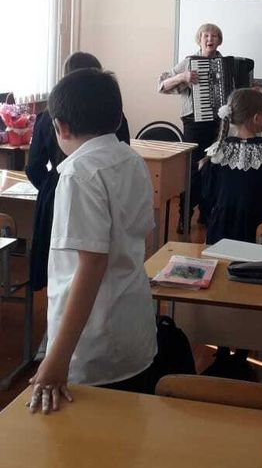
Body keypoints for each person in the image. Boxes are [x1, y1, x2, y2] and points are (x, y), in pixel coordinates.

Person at [27, 68, 156, 413]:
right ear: (118, 118)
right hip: (134, 330)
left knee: (85, 440)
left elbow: (91, 265)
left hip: (94, 345)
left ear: (60, 127)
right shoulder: (132, 159)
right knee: (128, 433)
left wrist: (56, 358)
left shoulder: (77, 173)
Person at [198, 88, 262, 378]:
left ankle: (222, 350)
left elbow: (207, 195)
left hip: (220, 230)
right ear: (258, 118)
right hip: (256, 230)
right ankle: (244, 351)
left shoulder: (215, 151)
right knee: (252, 287)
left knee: (222, 287)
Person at [26, 52, 130, 292]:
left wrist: (51, 187)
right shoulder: (114, 117)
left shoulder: (48, 115)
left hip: (54, 192)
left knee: (61, 270)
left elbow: (34, 167)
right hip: (107, 190)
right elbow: (122, 152)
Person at [158, 23, 232, 228]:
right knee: (193, 171)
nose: (210, 39)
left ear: (219, 41)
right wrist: (182, 77)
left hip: (219, 124)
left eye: (214, 36)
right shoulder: (189, 62)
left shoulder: (227, 65)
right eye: (206, 35)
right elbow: (161, 85)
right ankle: (185, 215)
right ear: (199, 39)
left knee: (215, 168)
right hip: (194, 124)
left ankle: (207, 214)